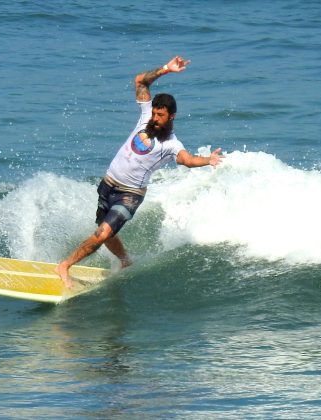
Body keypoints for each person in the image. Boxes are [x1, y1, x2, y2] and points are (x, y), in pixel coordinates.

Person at [56, 55, 223, 287]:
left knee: (102, 234)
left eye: (161, 115)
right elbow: (140, 82)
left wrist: (208, 160)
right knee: (105, 231)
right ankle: (126, 261)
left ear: (171, 116)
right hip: (108, 183)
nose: (155, 118)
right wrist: (166, 69)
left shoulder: (172, 144)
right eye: (154, 113)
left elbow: (187, 160)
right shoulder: (145, 117)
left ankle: (64, 266)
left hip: (130, 194)